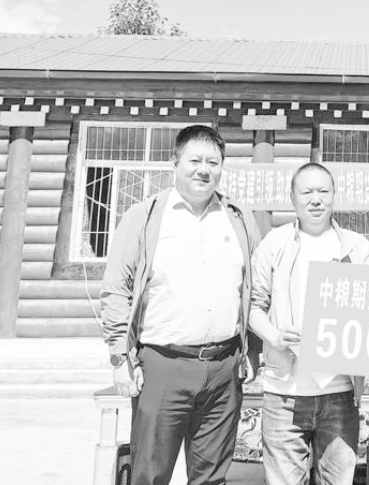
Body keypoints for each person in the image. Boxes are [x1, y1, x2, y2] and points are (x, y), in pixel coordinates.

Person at [100, 124, 259, 485]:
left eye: (213, 162)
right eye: (195, 160)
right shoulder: (144, 216)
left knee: (211, 476)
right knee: (149, 473)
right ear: (175, 162)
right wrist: (119, 357)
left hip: (224, 367)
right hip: (162, 365)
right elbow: (116, 290)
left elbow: (255, 287)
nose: (204, 170)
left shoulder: (238, 218)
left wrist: (253, 349)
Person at [249, 162, 369, 485]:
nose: (315, 199)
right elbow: (252, 306)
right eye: (306, 192)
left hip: (340, 392)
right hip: (284, 394)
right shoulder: (274, 244)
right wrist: (275, 336)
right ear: (292, 197)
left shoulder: (357, 247)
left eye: (323, 191)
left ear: (334, 195)